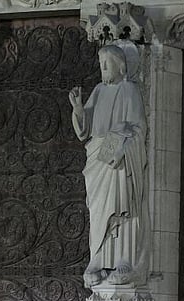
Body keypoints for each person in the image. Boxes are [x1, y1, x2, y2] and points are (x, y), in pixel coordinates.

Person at [69, 43, 150, 287]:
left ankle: (125, 259)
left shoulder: (130, 90)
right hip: (97, 157)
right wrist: (78, 110)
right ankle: (97, 260)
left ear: (120, 66)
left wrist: (123, 148)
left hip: (119, 157)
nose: (103, 67)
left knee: (123, 205)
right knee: (98, 209)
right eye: (101, 63)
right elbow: (84, 131)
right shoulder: (98, 90)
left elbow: (139, 127)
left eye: (107, 63)